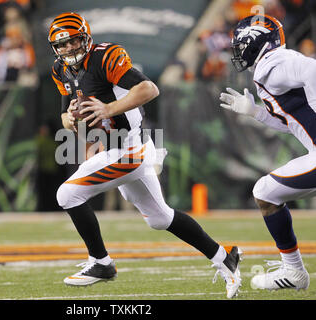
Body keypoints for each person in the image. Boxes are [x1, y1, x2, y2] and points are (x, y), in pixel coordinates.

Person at [49, 12, 242, 298]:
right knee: (160, 218)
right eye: (61, 45)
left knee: (67, 195)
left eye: (72, 41)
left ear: (85, 37)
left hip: (130, 149)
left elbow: (149, 89)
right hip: (117, 148)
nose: (67, 49)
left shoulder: (104, 58)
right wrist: (72, 120)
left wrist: (108, 109)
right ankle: (223, 256)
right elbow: (67, 116)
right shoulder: (61, 69)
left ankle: (101, 263)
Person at [219, 14, 313, 291]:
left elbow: (312, 69)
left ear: (255, 40)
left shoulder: (275, 63)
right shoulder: (272, 69)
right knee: (266, 193)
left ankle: (294, 271)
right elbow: (292, 125)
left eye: (240, 43)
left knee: (265, 191)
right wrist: (256, 113)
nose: (237, 50)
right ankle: (293, 271)